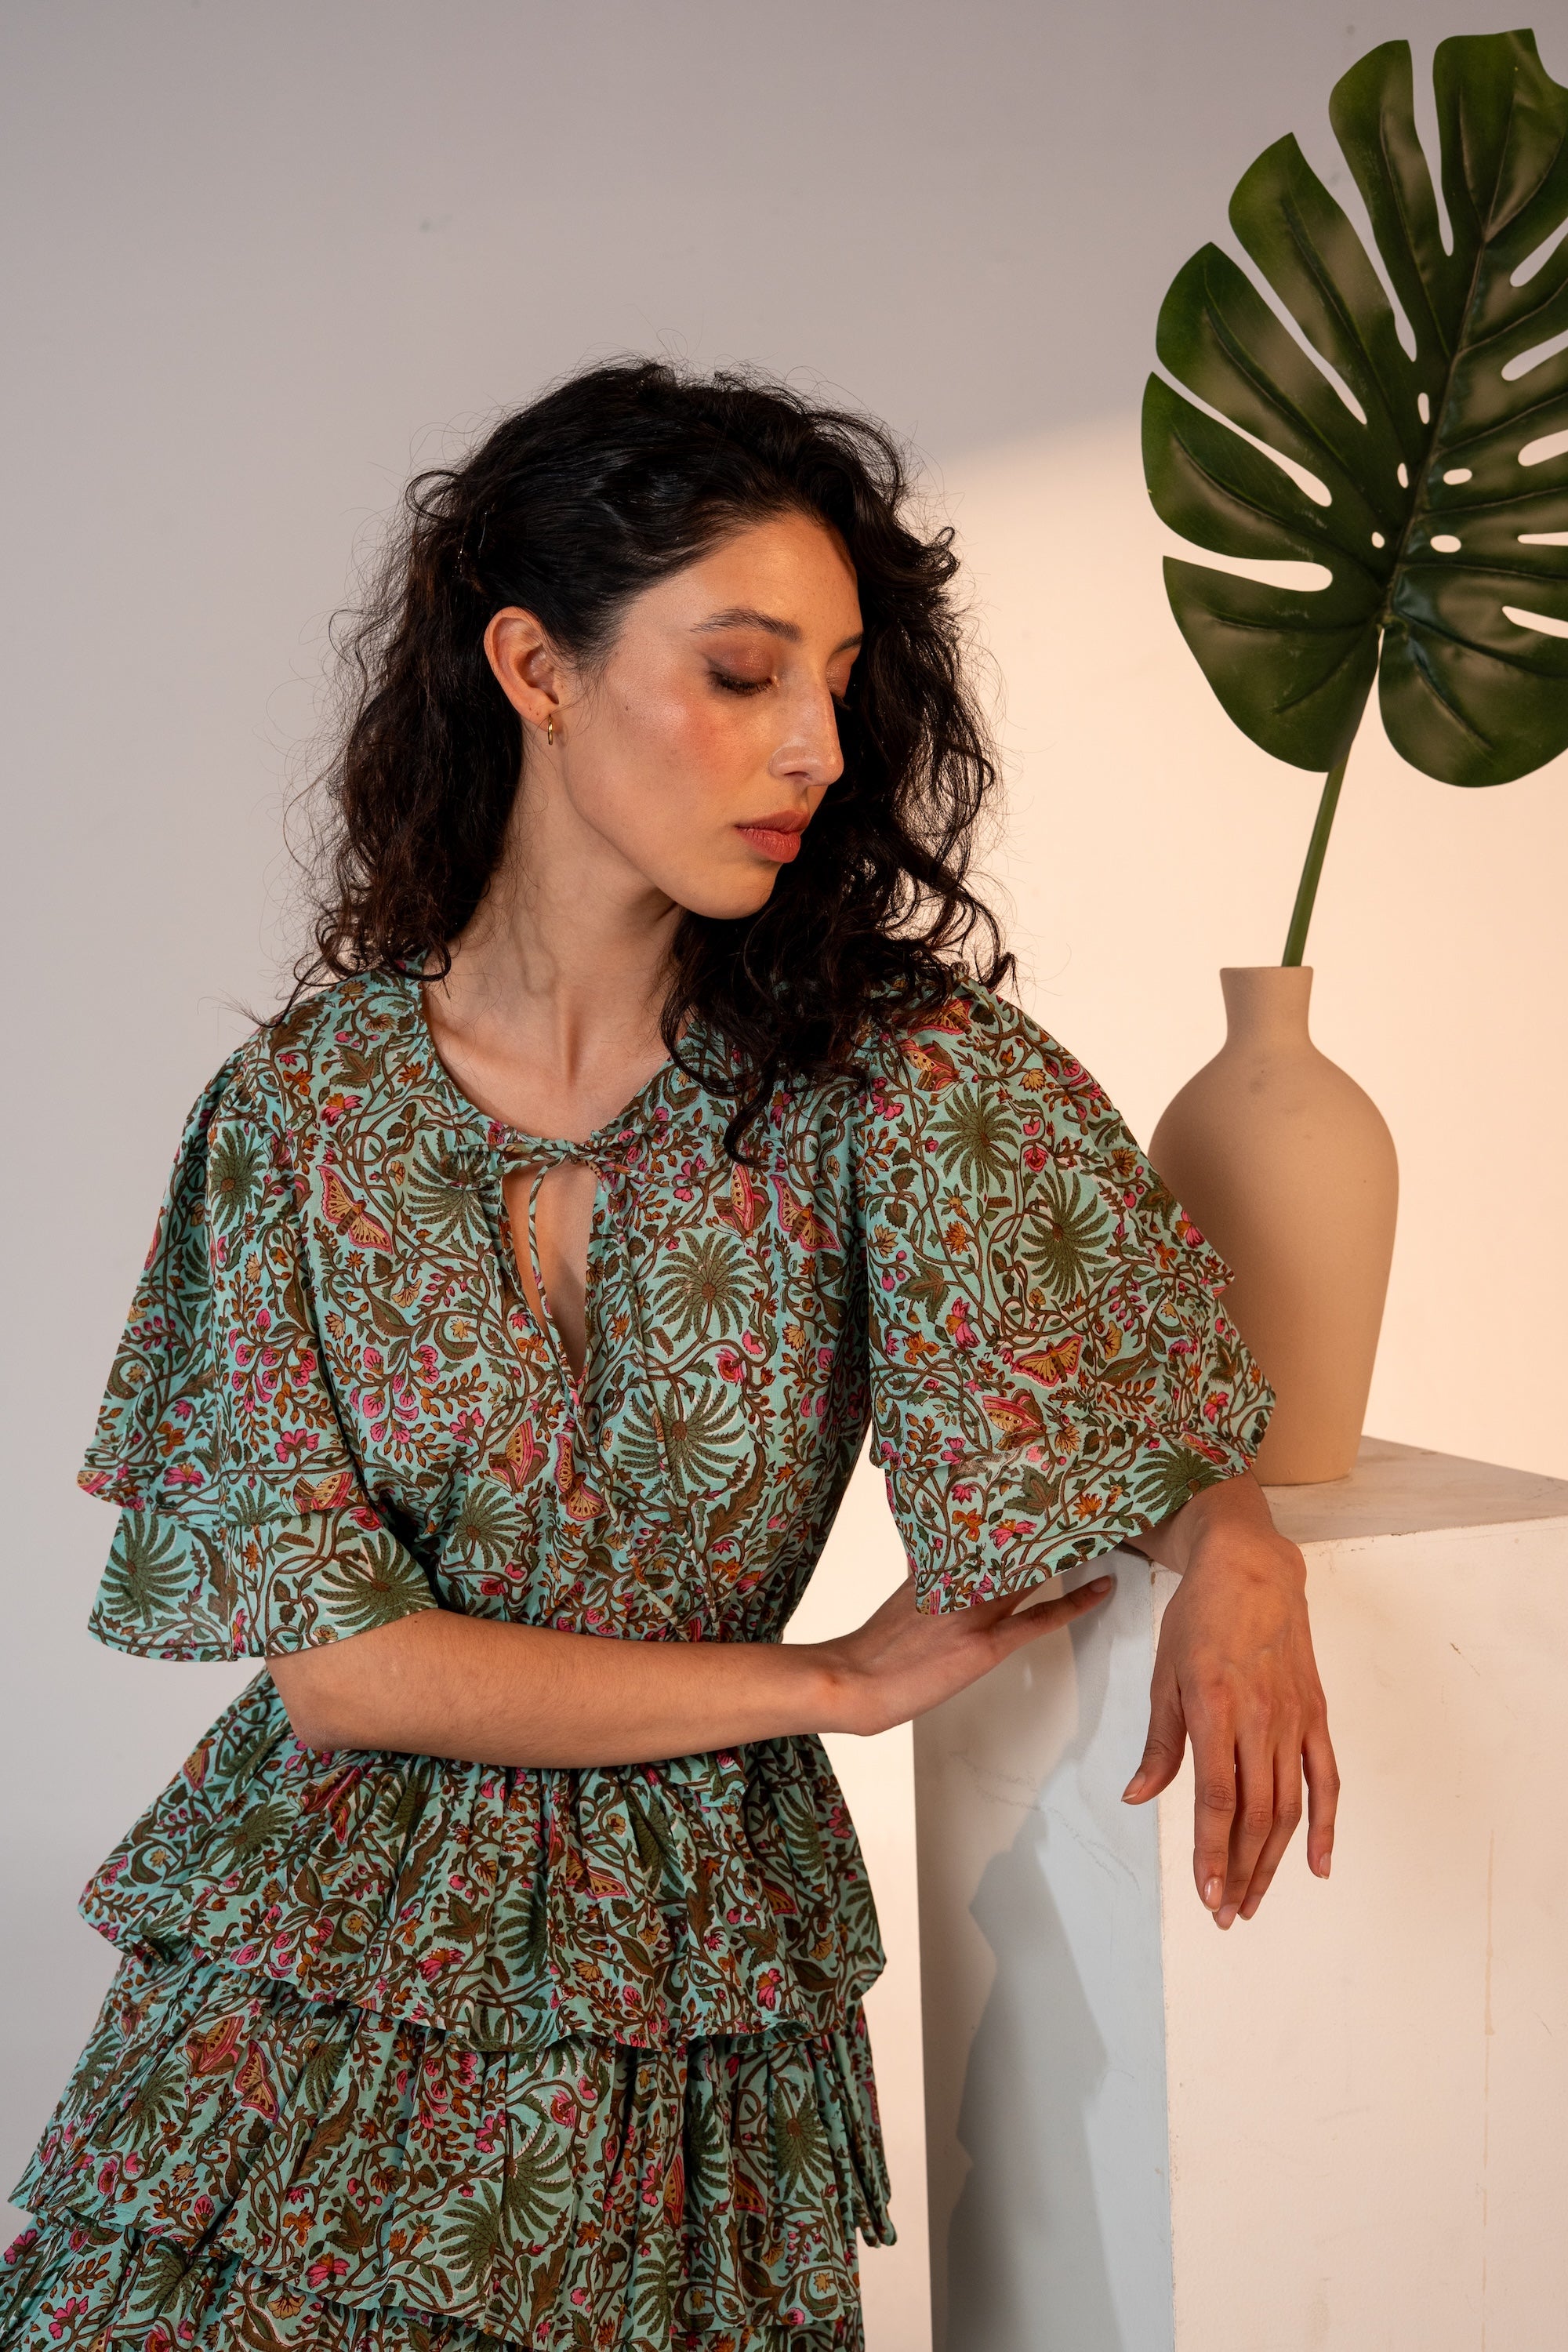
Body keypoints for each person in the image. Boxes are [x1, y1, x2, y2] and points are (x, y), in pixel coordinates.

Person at [0, 361, 1335, 2352]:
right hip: (300, 1984)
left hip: (683, 1980)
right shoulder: (298, 1115)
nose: (814, 745)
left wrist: (1236, 1540)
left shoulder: (892, 1080)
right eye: (739, 672)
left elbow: (1129, 1385)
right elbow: (346, 1674)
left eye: (840, 681)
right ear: (533, 667)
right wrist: (831, 1684)